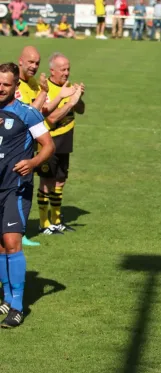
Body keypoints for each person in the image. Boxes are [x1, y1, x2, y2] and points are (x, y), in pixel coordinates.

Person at [0, 62, 55, 328]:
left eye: (6, 85)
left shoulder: (28, 114)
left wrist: (32, 164)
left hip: (15, 187)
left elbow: (48, 146)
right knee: (0, 246)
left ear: (15, 87)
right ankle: (8, 298)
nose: (0, 88)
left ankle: (18, 307)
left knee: (12, 242)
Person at [16, 47, 76, 244]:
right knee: (14, 188)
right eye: (30, 62)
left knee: (24, 188)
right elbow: (29, 114)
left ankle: (20, 231)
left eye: (37, 63)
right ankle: (17, 232)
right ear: (21, 61)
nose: (34, 66)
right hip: (13, 144)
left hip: (28, 144)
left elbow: (41, 110)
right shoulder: (14, 85)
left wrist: (48, 93)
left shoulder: (33, 84)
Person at [36, 53, 85, 235]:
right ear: (52, 71)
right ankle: (43, 223)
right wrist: (70, 103)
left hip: (65, 141)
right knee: (47, 182)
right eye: (63, 69)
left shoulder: (69, 87)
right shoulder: (46, 89)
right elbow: (52, 118)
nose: (66, 72)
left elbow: (81, 109)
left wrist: (78, 98)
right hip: (49, 142)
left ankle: (56, 221)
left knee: (60, 182)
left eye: (68, 69)